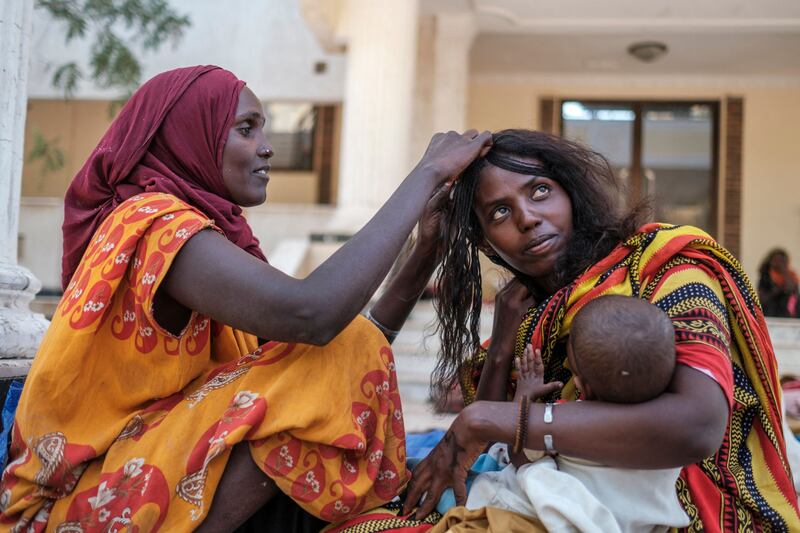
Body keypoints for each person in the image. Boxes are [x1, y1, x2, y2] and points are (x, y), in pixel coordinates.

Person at [0, 65, 492, 531]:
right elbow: (314, 315)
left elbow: (340, 339)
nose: (267, 148)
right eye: (246, 129)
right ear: (189, 137)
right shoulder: (156, 224)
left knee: (341, 352)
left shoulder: (213, 236)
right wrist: (424, 175)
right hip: (78, 499)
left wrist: (426, 249)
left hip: (142, 471)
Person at [402, 129, 800, 531]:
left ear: (571, 194)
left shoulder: (664, 269)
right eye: (499, 213)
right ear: (487, 245)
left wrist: (496, 420)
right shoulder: (526, 313)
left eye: (540, 191)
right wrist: (503, 345)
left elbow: (697, 425)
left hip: (684, 510)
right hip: (555, 500)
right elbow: (488, 451)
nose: (527, 217)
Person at [465, 295, 689, 532]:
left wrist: (525, 395)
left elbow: (521, 458)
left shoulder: (566, 422)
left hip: (540, 516)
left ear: (582, 385)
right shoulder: (667, 437)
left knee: (474, 487)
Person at [758, 248, 800, 318]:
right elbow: (763, 298)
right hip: (770, 313)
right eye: (776, 260)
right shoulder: (766, 276)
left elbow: (794, 292)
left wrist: (785, 273)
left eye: (782, 261)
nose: (779, 263)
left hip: (787, 315)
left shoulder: (791, 275)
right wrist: (779, 289)